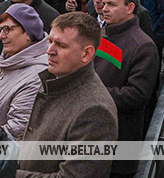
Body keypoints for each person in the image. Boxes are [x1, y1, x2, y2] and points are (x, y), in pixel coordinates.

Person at [17, 12, 118, 177]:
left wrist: (8, 174)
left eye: (61, 45)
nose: (50, 51)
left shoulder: (95, 111)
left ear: (86, 54)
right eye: (50, 41)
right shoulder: (54, 81)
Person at [96, 0, 160, 177]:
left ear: (130, 7)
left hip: (119, 139)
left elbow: (137, 95)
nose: (104, 8)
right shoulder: (103, 33)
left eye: (112, 4)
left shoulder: (143, 46)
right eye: (104, 3)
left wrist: (92, 93)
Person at [0, 4, 48, 141]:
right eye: (0, 30)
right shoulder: (9, 60)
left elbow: (16, 131)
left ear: (28, 33)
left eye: (8, 29)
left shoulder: (36, 76)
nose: (1, 36)